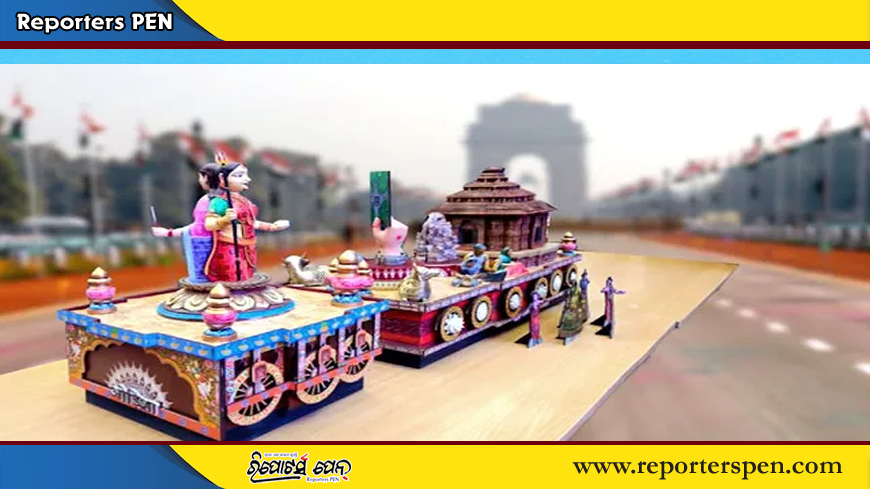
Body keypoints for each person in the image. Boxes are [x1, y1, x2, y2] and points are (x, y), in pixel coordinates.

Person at [203, 153, 290, 283]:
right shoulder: (220, 202)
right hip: (230, 249)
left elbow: (251, 223)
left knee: (247, 278)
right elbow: (209, 224)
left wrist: (272, 227)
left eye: (246, 175)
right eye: (239, 175)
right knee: (233, 281)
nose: (247, 179)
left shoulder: (245, 202)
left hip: (248, 249)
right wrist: (224, 220)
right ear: (222, 179)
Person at [152, 163, 220, 283]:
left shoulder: (207, 202)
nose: (199, 180)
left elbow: (199, 229)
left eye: (200, 177)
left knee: (203, 280)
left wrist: (168, 233)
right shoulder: (229, 198)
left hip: (206, 249)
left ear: (206, 178)